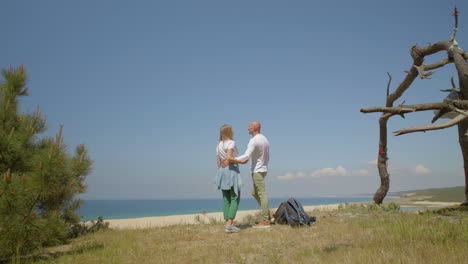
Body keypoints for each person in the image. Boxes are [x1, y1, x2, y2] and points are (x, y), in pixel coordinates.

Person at [228, 121, 271, 228]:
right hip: (263, 169)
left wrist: (231, 160)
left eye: (250, 126)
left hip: (257, 170)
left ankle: (266, 220)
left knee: (261, 193)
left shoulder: (254, 140)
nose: (248, 128)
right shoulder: (265, 139)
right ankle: (268, 216)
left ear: (255, 128)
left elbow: (246, 156)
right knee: (255, 193)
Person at [215, 125, 247, 233]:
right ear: (228, 131)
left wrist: (223, 166)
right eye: (232, 129)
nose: (234, 130)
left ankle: (228, 224)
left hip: (222, 172)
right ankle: (229, 224)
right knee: (235, 197)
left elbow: (219, 162)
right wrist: (241, 161)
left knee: (226, 198)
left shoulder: (219, 144)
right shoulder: (231, 143)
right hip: (232, 171)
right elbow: (229, 157)